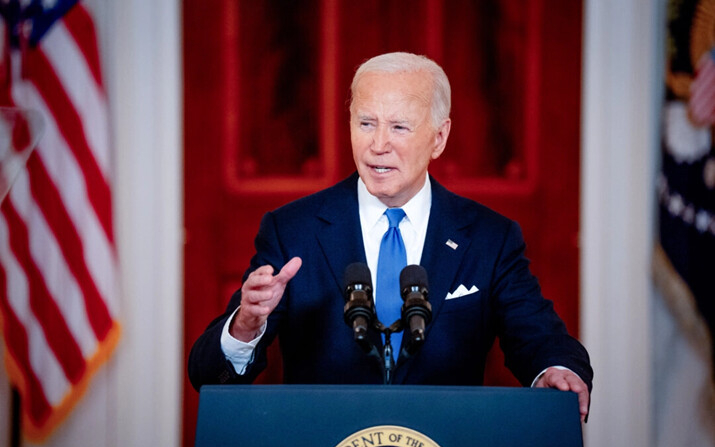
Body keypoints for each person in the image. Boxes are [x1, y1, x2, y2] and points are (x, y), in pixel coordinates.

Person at [188, 52, 593, 421]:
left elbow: (540, 337)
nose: (378, 145)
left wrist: (557, 371)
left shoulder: (489, 237)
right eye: (366, 123)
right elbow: (209, 375)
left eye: (399, 127)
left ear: (439, 137)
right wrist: (245, 325)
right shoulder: (293, 230)